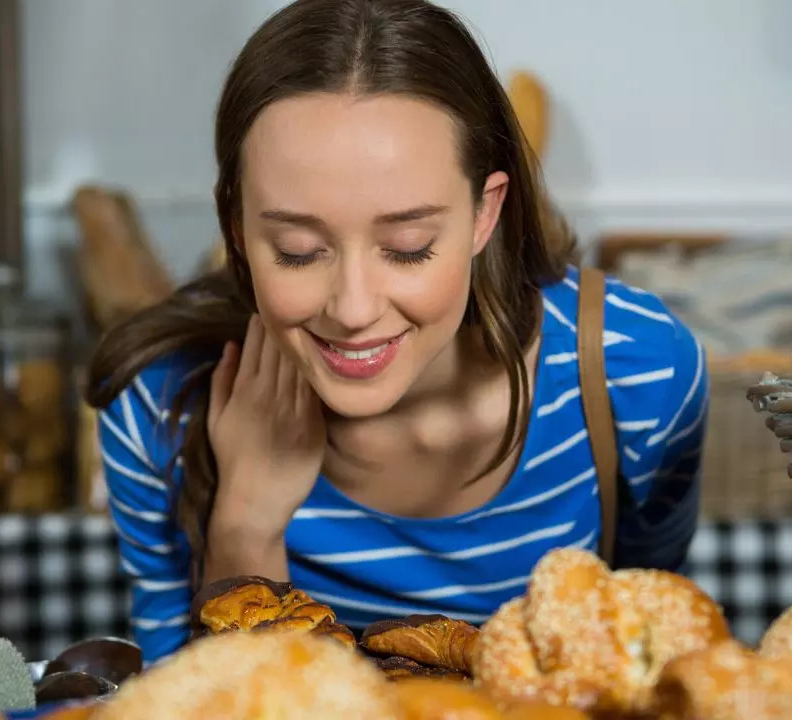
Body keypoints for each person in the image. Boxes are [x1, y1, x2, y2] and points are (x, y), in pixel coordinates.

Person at [86, 0, 708, 666]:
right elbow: (179, 701)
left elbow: (651, 662)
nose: (353, 309)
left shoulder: (638, 373)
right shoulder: (156, 404)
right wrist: (244, 524)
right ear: (237, 229)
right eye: (297, 249)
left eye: (408, 246)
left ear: (483, 213)